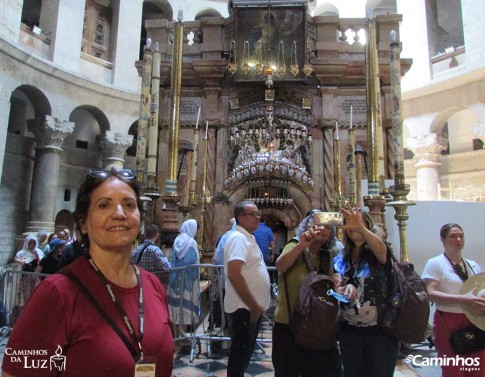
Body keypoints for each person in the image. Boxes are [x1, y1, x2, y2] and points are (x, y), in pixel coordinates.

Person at [2, 168, 174, 377]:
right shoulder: (56, 294)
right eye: (104, 205)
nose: (119, 214)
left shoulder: (153, 285)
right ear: (83, 224)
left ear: (139, 220)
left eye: (129, 205)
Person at [272, 210, 347, 377]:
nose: (322, 229)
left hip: (315, 325)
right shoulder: (294, 246)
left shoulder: (326, 256)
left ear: (331, 235)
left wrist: (337, 291)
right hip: (289, 323)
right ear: (307, 227)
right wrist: (301, 245)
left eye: (327, 227)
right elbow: (280, 266)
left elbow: (325, 291)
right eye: (317, 224)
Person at [333, 204, 397, 377]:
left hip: (380, 332)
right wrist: (342, 288)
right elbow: (336, 282)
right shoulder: (342, 256)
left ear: (368, 225)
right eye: (349, 224)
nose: (352, 227)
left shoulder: (377, 252)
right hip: (350, 331)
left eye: (359, 224)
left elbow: (382, 251)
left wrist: (359, 226)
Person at [422, 223, 485, 377]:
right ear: (442, 240)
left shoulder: (473, 265)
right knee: (453, 369)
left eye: (461, 236)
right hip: (448, 321)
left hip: (475, 319)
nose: (458, 239)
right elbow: (430, 293)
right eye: (453, 236)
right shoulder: (435, 263)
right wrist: (463, 299)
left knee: (477, 368)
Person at [224, 200, 270, 377]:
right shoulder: (238, 238)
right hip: (243, 308)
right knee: (240, 355)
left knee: (244, 355)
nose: (258, 218)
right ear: (240, 218)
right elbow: (234, 273)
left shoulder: (247, 237)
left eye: (258, 214)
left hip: (249, 308)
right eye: (253, 214)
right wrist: (253, 305)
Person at [167, 219, 201, 331]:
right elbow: (194, 261)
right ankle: (184, 334)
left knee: (175, 308)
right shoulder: (191, 242)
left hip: (175, 279)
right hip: (189, 281)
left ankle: (176, 334)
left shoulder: (177, 240)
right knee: (186, 308)